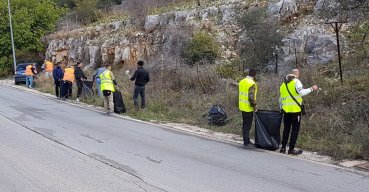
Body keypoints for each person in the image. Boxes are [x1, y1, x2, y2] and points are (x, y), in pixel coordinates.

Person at [279, 69, 319, 155]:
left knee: (286, 129)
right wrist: (312, 88)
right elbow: (301, 92)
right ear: (298, 74)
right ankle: (291, 149)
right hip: (295, 111)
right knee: (295, 130)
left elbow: (281, 99)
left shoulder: (283, 84)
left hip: (286, 110)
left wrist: (281, 109)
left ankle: (282, 148)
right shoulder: (296, 81)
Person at [239, 68, 257, 148]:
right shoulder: (252, 83)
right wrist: (255, 106)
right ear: (254, 75)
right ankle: (246, 142)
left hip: (242, 106)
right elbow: (251, 97)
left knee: (244, 124)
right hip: (248, 108)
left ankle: (245, 139)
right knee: (247, 125)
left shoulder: (242, 81)